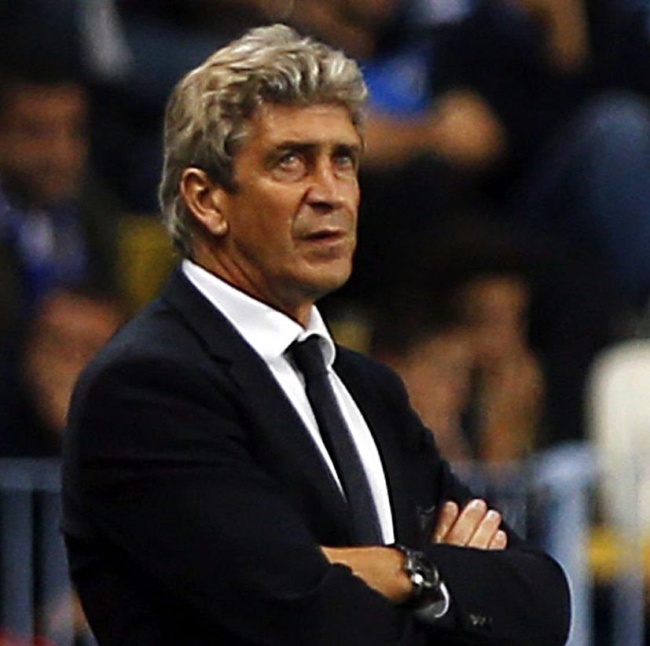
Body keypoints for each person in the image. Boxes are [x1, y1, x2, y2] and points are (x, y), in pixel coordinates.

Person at [62, 24, 570, 644]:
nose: (330, 194)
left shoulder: (369, 389)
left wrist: (396, 573)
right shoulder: (148, 386)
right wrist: (440, 579)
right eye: (291, 161)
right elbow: (296, 617)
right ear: (207, 200)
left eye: (344, 160)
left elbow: (541, 601)